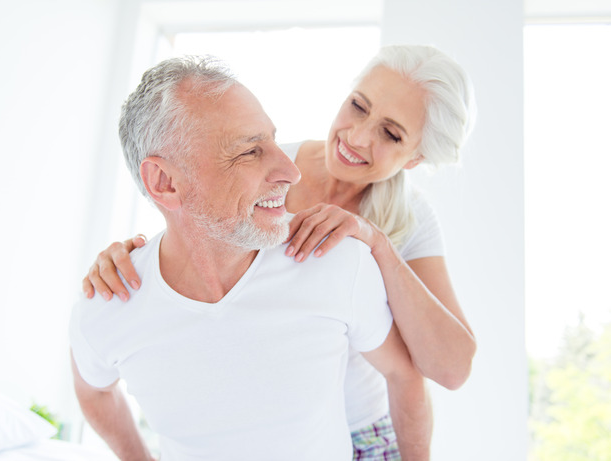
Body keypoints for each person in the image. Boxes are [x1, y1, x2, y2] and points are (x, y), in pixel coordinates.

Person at [83, 45, 477, 459]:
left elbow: (449, 368)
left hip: (364, 426)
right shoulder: (265, 168)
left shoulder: (410, 218)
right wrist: (122, 258)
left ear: (414, 158)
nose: (358, 137)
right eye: (358, 106)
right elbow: (187, 229)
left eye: (391, 134)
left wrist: (377, 244)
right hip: (265, 429)